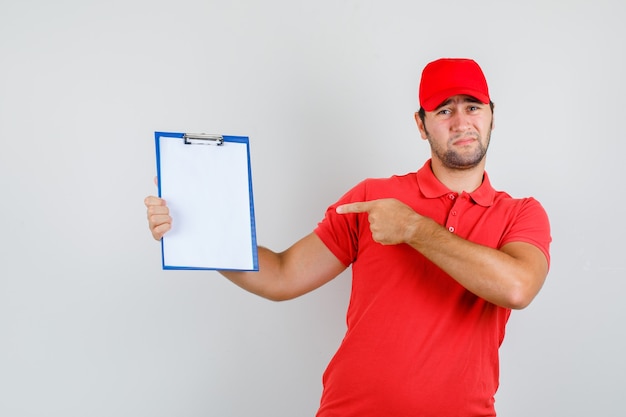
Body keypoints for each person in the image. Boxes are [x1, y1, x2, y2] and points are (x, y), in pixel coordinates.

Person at [144, 58, 551, 416]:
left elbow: (517, 287)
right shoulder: (372, 198)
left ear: (492, 116)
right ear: (421, 125)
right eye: (444, 110)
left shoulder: (520, 214)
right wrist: (200, 233)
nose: (461, 122)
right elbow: (282, 276)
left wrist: (413, 229)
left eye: (472, 107)